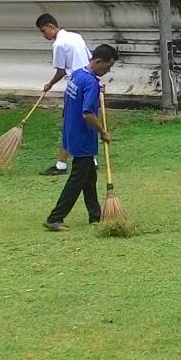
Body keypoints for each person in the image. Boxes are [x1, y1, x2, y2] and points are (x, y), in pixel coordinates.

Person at [44, 44, 118, 231]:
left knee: (89, 176)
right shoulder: (91, 83)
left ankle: (95, 215)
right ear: (98, 61)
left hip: (71, 131)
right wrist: (103, 132)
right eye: (107, 67)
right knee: (77, 178)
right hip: (83, 137)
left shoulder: (77, 75)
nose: (108, 71)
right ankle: (55, 217)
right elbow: (88, 114)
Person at [36, 13, 90, 176]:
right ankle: (91, 160)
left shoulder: (58, 45)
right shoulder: (76, 37)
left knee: (69, 124)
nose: (44, 35)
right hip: (88, 82)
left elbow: (61, 71)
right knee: (87, 121)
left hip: (75, 86)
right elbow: (90, 59)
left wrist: (50, 84)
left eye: (44, 31)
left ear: (52, 27)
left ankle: (61, 164)